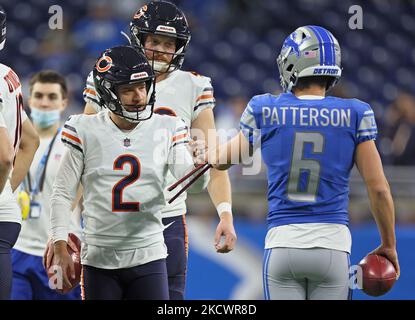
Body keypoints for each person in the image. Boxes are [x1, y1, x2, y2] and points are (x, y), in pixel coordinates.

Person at [206, 25, 400, 300]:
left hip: (283, 245)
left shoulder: (266, 108)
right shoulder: (356, 112)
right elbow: (379, 188)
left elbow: (224, 160)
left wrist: (206, 152)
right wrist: (389, 245)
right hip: (332, 247)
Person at [83, 0, 236, 300]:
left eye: (169, 43)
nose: (161, 50)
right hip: (111, 217)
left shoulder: (193, 86)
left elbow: (212, 162)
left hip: (167, 217)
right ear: (139, 39)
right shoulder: (107, 76)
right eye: (154, 40)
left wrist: (226, 214)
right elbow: (83, 153)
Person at [50, 46, 209, 299]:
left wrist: (200, 165)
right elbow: (62, 192)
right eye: (128, 90)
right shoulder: (84, 128)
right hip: (99, 258)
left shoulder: (168, 126)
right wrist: (59, 242)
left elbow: (192, 184)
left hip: (149, 254)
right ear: (108, 92)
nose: (138, 96)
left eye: (143, 87)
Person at [11, 71, 81, 300]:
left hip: (58, 252)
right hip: (16, 249)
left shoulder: (74, 145)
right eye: (38, 95)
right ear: (29, 100)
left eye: (52, 97)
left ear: (64, 102)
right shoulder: (12, 141)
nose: (44, 102)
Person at [0, 5, 39, 300]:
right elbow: (31, 140)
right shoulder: (7, 74)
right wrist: (7, 192)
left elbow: (3, 155)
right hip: (7, 215)